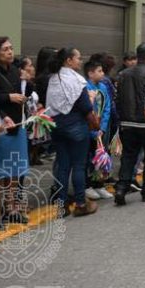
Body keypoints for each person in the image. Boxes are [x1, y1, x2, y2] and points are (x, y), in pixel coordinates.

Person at [0, 37, 30, 229]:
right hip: (0, 126)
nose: (10, 52)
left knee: (14, 171)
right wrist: (8, 97)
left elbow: (24, 95)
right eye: (5, 49)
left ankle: (12, 209)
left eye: (11, 49)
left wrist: (27, 83)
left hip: (18, 124)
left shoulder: (14, 71)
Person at [46, 47, 97, 217]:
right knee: (78, 166)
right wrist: (90, 99)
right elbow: (85, 106)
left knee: (62, 166)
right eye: (78, 58)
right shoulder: (76, 79)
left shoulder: (53, 78)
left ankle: (62, 206)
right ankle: (81, 203)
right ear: (68, 60)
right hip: (76, 125)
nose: (80, 61)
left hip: (57, 126)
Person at [114, 43, 145, 206]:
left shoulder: (123, 74)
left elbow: (118, 99)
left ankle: (121, 188)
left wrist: (121, 119)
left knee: (128, 157)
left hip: (127, 123)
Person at [83, 59, 113, 201]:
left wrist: (102, 127)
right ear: (90, 73)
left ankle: (99, 184)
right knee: (88, 158)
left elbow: (106, 108)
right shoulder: (84, 87)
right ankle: (87, 185)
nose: (102, 73)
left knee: (101, 157)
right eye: (99, 71)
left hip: (101, 129)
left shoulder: (103, 86)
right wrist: (93, 129)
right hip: (88, 130)